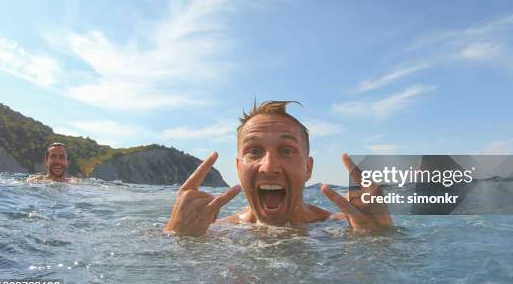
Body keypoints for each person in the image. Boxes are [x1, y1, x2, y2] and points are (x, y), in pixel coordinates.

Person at [165, 100, 393, 236]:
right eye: (254, 151)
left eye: (286, 150)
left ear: (308, 168)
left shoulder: (340, 228)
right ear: (238, 167)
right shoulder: (214, 232)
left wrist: (381, 237)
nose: (269, 166)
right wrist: (176, 237)